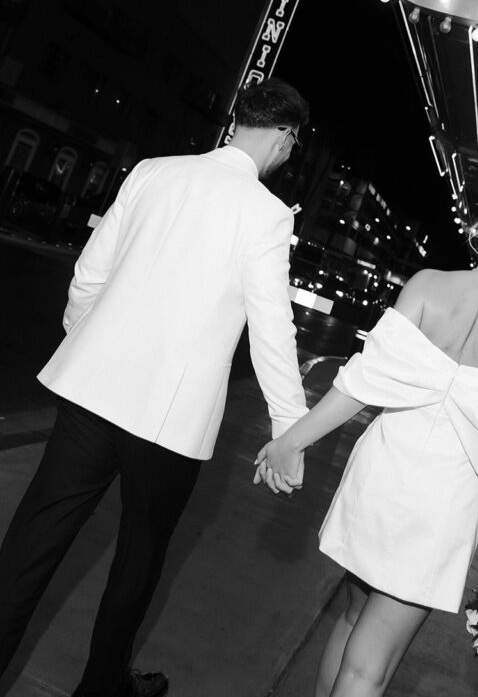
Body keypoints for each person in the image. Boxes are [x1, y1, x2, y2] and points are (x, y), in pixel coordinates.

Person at [0, 77, 311, 697]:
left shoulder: (153, 171)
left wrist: (88, 342)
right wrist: (289, 430)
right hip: (169, 420)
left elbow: (90, 275)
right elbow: (271, 329)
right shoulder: (267, 214)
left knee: (32, 542)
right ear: (283, 137)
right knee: (138, 562)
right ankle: (99, 689)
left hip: (92, 393)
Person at [255, 167, 478, 697]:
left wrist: (292, 440)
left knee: (350, 619)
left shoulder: (428, 285)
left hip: (382, 474)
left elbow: (360, 383)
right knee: (371, 665)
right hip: (443, 505)